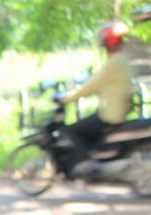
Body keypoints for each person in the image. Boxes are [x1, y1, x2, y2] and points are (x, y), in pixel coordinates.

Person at [57, 21, 135, 176]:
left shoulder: (115, 62)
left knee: (72, 130)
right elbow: (106, 84)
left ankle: (85, 165)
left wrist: (66, 99)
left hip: (110, 114)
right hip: (118, 110)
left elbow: (92, 84)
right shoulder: (123, 59)